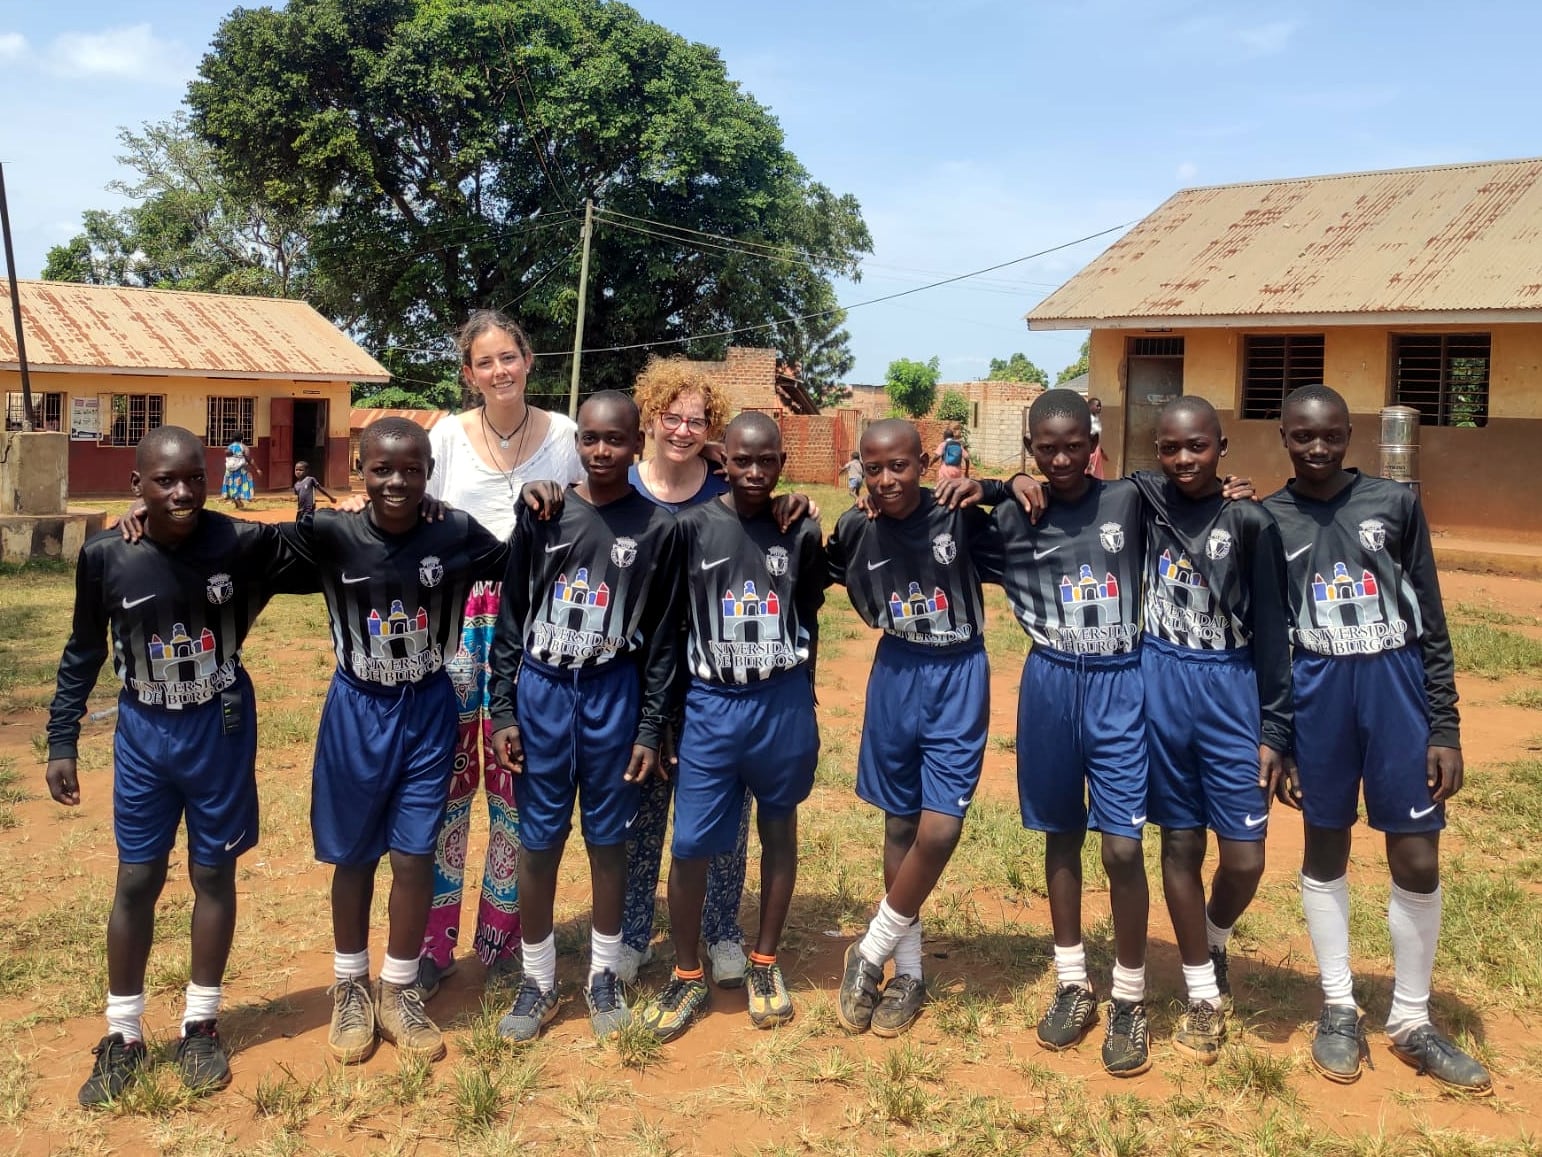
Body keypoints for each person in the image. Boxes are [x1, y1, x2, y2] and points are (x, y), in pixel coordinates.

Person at [519, 358, 814, 988]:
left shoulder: (722, 490)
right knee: (642, 811)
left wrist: (796, 501)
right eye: (671, 417)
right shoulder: (629, 491)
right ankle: (628, 935)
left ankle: (722, 928)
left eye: (697, 420)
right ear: (648, 421)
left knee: (723, 818)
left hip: (716, 685)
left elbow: (768, 535)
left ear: (714, 433)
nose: (682, 430)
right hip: (638, 684)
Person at [45, 425, 311, 1106]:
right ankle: (124, 1033)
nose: (183, 491)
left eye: (195, 476)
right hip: (144, 732)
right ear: (137, 485)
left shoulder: (239, 543)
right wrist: (62, 738)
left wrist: (312, 496)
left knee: (211, 872)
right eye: (165, 480)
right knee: (137, 877)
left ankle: (201, 1023)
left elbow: (323, 553)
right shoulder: (106, 555)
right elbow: (83, 650)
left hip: (218, 728)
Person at [1264, 384, 1490, 1094]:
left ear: (1351, 432)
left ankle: (1412, 1018)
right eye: (1304, 436)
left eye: (1331, 434)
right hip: (1318, 696)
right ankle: (1338, 1005)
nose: (1319, 447)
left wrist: (1444, 724)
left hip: (1396, 694)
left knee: (1417, 854)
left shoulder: (1394, 504)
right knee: (1324, 843)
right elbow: (1269, 643)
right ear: (1284, 437)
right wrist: (1284, 740)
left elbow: (1430, 619)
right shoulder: (1267, 520)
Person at [287, 417, 508, 1065]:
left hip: (429, 710)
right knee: (354, 857)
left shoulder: (454, 532)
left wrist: (550, 505)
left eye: (411, 469)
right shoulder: (331, 533)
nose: (396, 481)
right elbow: (236, 552)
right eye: (382, 468)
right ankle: (351, 985)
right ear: (359, 470)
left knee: (415, 857)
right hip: (357, 710)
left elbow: (524, 560)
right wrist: (145, 517)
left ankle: (399, 987)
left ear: (429, 473)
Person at [488, 393, 682, 1042]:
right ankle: (538, 980)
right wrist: (504, 708)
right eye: (591, 439)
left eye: (616, 440)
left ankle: (602, 973)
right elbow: (511, 617)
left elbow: (660, 641)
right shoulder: (545, 514)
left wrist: (650, 726)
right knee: (538, 843)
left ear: (637, 444)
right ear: (578, 443)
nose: (602, 451)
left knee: (608, 843)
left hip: (613, 697)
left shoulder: (657, 528)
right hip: (542, 696)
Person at [638, 413, 825, 1041]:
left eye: (766, 462)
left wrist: (806, 700)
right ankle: (687, 972)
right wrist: (660, 718)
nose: (754, 473)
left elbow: (809, 617)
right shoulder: (689, 527)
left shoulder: (797, 529)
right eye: (742, 461)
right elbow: (667, 631)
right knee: (690, 844)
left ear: (780, 463)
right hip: (712, 707)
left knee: (778, 828)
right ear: (725, 461)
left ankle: (765, 961)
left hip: (781, 703)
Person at [418, 309, 585, 995]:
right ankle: (431, 942)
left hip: (539, 622)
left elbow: (593, 513)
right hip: (459, 624)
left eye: (508, 357)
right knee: (448, 783)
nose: (499, 370)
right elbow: (416, 523)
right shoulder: (447, 438)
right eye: (484, 362)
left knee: (518, 782)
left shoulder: (566, 435)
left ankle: (504, 938)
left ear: (528, 360)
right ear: (469, 374)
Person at [826, 419, 1006, 1039]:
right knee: (900, 821)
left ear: (925, 462)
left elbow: (1030, 531)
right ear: (859, 470)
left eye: (899, 466)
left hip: (958, 673)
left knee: (941, 826)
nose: (886, 480)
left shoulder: (958, 516)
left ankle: (870, 951)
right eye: (873, 469)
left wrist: (1008, 486)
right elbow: (809, 566)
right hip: (897, 674)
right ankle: (909, 971)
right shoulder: (856, 528)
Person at [993, 389, 1152, 1076]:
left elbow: (1204, 501)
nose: (1060, 459)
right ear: (1030, 448)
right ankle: (1071, 980)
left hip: (1121, 681)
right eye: (1045, 447)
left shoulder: (1131, 501)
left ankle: (1130, 995)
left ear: (1093, 442)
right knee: (1060, 832)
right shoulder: (1010, 514)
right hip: (1050, 681)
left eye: (1072, 445)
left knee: (1121, 845)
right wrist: (1002, 482)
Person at [1129, 397, 1291, 1065]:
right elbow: (1067, 483)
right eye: (1170, 448)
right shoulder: (1142, 502)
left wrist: (1277, 726)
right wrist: (1009, 480)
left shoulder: (1250, 520)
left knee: (1246, 855)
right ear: (1156, 450)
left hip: (1230, 690)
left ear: (1222, 445)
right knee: (1180, 842)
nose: (1184, 459)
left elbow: (1277, 632)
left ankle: (1215, 934)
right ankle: (1202, 989)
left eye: (1197, 446)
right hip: (1160, 684)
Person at [221, 439, 260, 510]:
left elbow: (227, 457)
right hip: (240, 470)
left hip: (230, 470)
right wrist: (257, 469)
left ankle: (236, 501)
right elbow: (249, 459)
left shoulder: (229, 447)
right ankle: (238, 500)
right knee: (242, 484)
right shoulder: (244, 447)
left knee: (231, 485)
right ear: (241, 439)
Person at [1087, 397, 1107, 480]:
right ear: (1090, 406)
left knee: (1096, 473)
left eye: (1100, 406)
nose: (1099, 408)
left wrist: (1101, 451)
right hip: (1090, 450)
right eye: (1097, 406)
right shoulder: (1088, 420)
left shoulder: (1096, 419)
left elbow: (1096, 437)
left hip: (1096, 450)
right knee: (1090, 472)